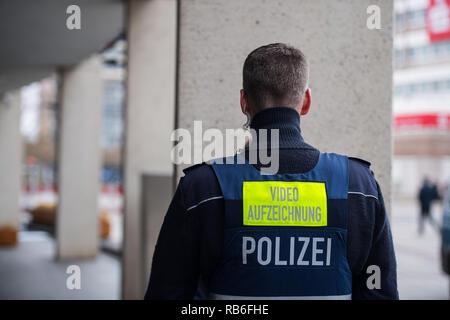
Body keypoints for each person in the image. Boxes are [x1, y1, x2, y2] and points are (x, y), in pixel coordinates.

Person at [145, 43, 398, 300]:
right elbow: (380, 292)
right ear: (306, 101)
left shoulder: (201, 190)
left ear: (244, 102)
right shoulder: (359, 188)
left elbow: (167, 292)